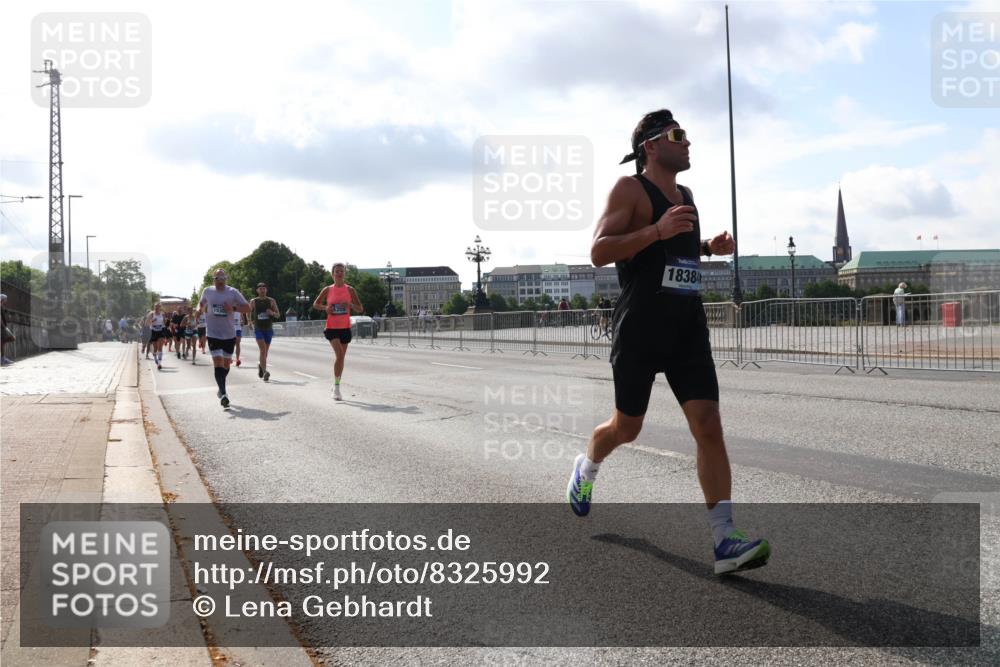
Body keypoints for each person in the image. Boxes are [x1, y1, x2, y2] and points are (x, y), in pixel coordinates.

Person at [566, 108, 769, 575]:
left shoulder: (688, 195)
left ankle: (724, 540)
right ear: (650, 146)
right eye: (678, 135)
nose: (688, 142)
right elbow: (599, 251)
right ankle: (587, 466)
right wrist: (656, 229)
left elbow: (671, 252)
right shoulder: (629, 189)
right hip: (640, 326)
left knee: (709, 425)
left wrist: (705, 249)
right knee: (627, 428)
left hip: (686, 325)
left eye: (688, 135)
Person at [196, 268, 250, 408]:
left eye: (222, 279)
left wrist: (233, 309)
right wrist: (198, 310)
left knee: (226, 365)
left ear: (226, 279)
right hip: (213, 333)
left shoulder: (233, 292)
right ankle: (224, 394)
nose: (220, 282)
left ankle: (221, 386)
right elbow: (201, 303)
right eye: (217, 279)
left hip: (229, 334)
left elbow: (248, 308)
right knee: (218, 362)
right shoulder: (207, 291)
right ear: (213, 279)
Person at [312, 262, 364, 400]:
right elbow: (316, 304)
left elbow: (360, 309)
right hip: (332, 327)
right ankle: (336, 388)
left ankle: (336, 383)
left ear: (344, 273)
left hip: (345, 328)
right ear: (332, 274)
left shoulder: (350, 290)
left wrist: (351, 304)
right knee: (340, 356)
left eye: (342, 271)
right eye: (337, 271)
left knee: (341, 359)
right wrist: (326, 308)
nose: (339, 273)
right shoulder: (327, 290)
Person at [249, 282, 279, 382]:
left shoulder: (271, 301)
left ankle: (260, 366)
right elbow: (248, 311)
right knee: (262, 350)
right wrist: (249, 321)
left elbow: (278, 315)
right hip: (258, 329)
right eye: (260, 289)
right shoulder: (254, 301)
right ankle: (265, 371)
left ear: (266, 290)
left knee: (265, 352)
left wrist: (272, 313)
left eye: (264, 288)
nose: (262, 290)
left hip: (268, 329)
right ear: (257, 290)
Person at [144, 303, 168, 370]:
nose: (157, 308)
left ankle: (159, 363)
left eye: (158, 307)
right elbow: (146, 323)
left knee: (160, 347)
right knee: (155, 348)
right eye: (156, 307)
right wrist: (152, 321)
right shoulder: (151, 314)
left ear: (160, 307)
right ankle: (155, 358)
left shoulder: (162, 314)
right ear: (154, 307)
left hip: (160, 331)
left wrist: (165, 324)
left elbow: (164, 323)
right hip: (153, 331)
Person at [1, 294, 15, 366]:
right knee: (11, 338)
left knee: (3, 342)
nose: (6, 300)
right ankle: (2, 358)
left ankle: (3, 358)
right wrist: (3, 327)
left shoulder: (1, 307)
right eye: (5, 299)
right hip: (1, 327)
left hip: (2, 327)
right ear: (2, 299)